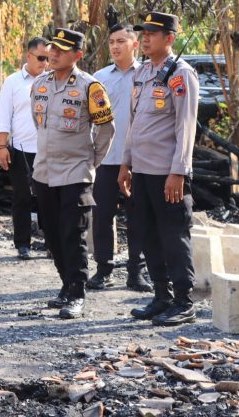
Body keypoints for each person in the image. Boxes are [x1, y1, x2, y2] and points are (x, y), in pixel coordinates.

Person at [118, 12, 199, 326]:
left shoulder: (180, 75)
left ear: (170, 38)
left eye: (153, 33)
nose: (146, 38)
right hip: (142, 172)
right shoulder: (142, 74)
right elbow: (134, 123)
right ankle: (162, 297)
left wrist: (178, 171)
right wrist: (126, 164)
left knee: (173, 236)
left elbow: (185, 127)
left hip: (169, 175)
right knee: (148, 235)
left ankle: (184, 301)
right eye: (144, 32)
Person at [31, 28, 115, 319]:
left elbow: (106, 129)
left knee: (73, 234)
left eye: (61, 50)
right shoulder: (40, 84)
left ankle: (77, 293)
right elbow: (37, 123)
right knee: (52, 235)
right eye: (52, 48)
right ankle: (66, 285)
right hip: (43, 172)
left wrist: (91, 161)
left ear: (77, 55)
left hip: (75, 173)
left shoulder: (91, 88)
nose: (53, 54)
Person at [87, 24, 152, 293]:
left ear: (135, 44)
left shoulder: (147, 75)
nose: (115, 46)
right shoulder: (99, 78)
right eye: (112, 41)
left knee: (138, 216)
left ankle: (137, 272)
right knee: (102, 216)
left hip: (138, 161)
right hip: (105, 160)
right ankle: (104, 269)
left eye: (121, 41)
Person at [0, 37, 50, 260]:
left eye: (48, 58)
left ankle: (51, 242)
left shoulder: (54, 80)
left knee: (48, 197)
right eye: (41, 58)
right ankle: (22, 244)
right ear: (28, 56)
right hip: (20, 148)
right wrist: (2, 146)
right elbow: (4, 115)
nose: (45, 62)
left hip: (47, 149)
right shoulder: (13, 82)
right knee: (21, 198)